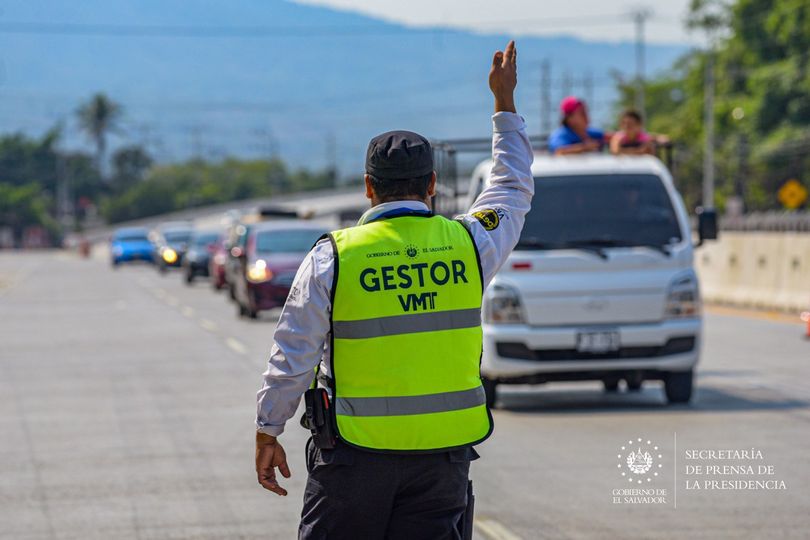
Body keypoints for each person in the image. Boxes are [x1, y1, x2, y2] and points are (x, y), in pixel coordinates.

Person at [255, 40, 534, 539]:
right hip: (442, 461)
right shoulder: (469, 245)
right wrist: (503, 103)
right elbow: (512, 188)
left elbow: (293, 353)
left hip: (353, 459)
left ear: (368, 186)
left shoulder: (333, 257)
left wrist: (268, 428)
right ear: (432, 183)